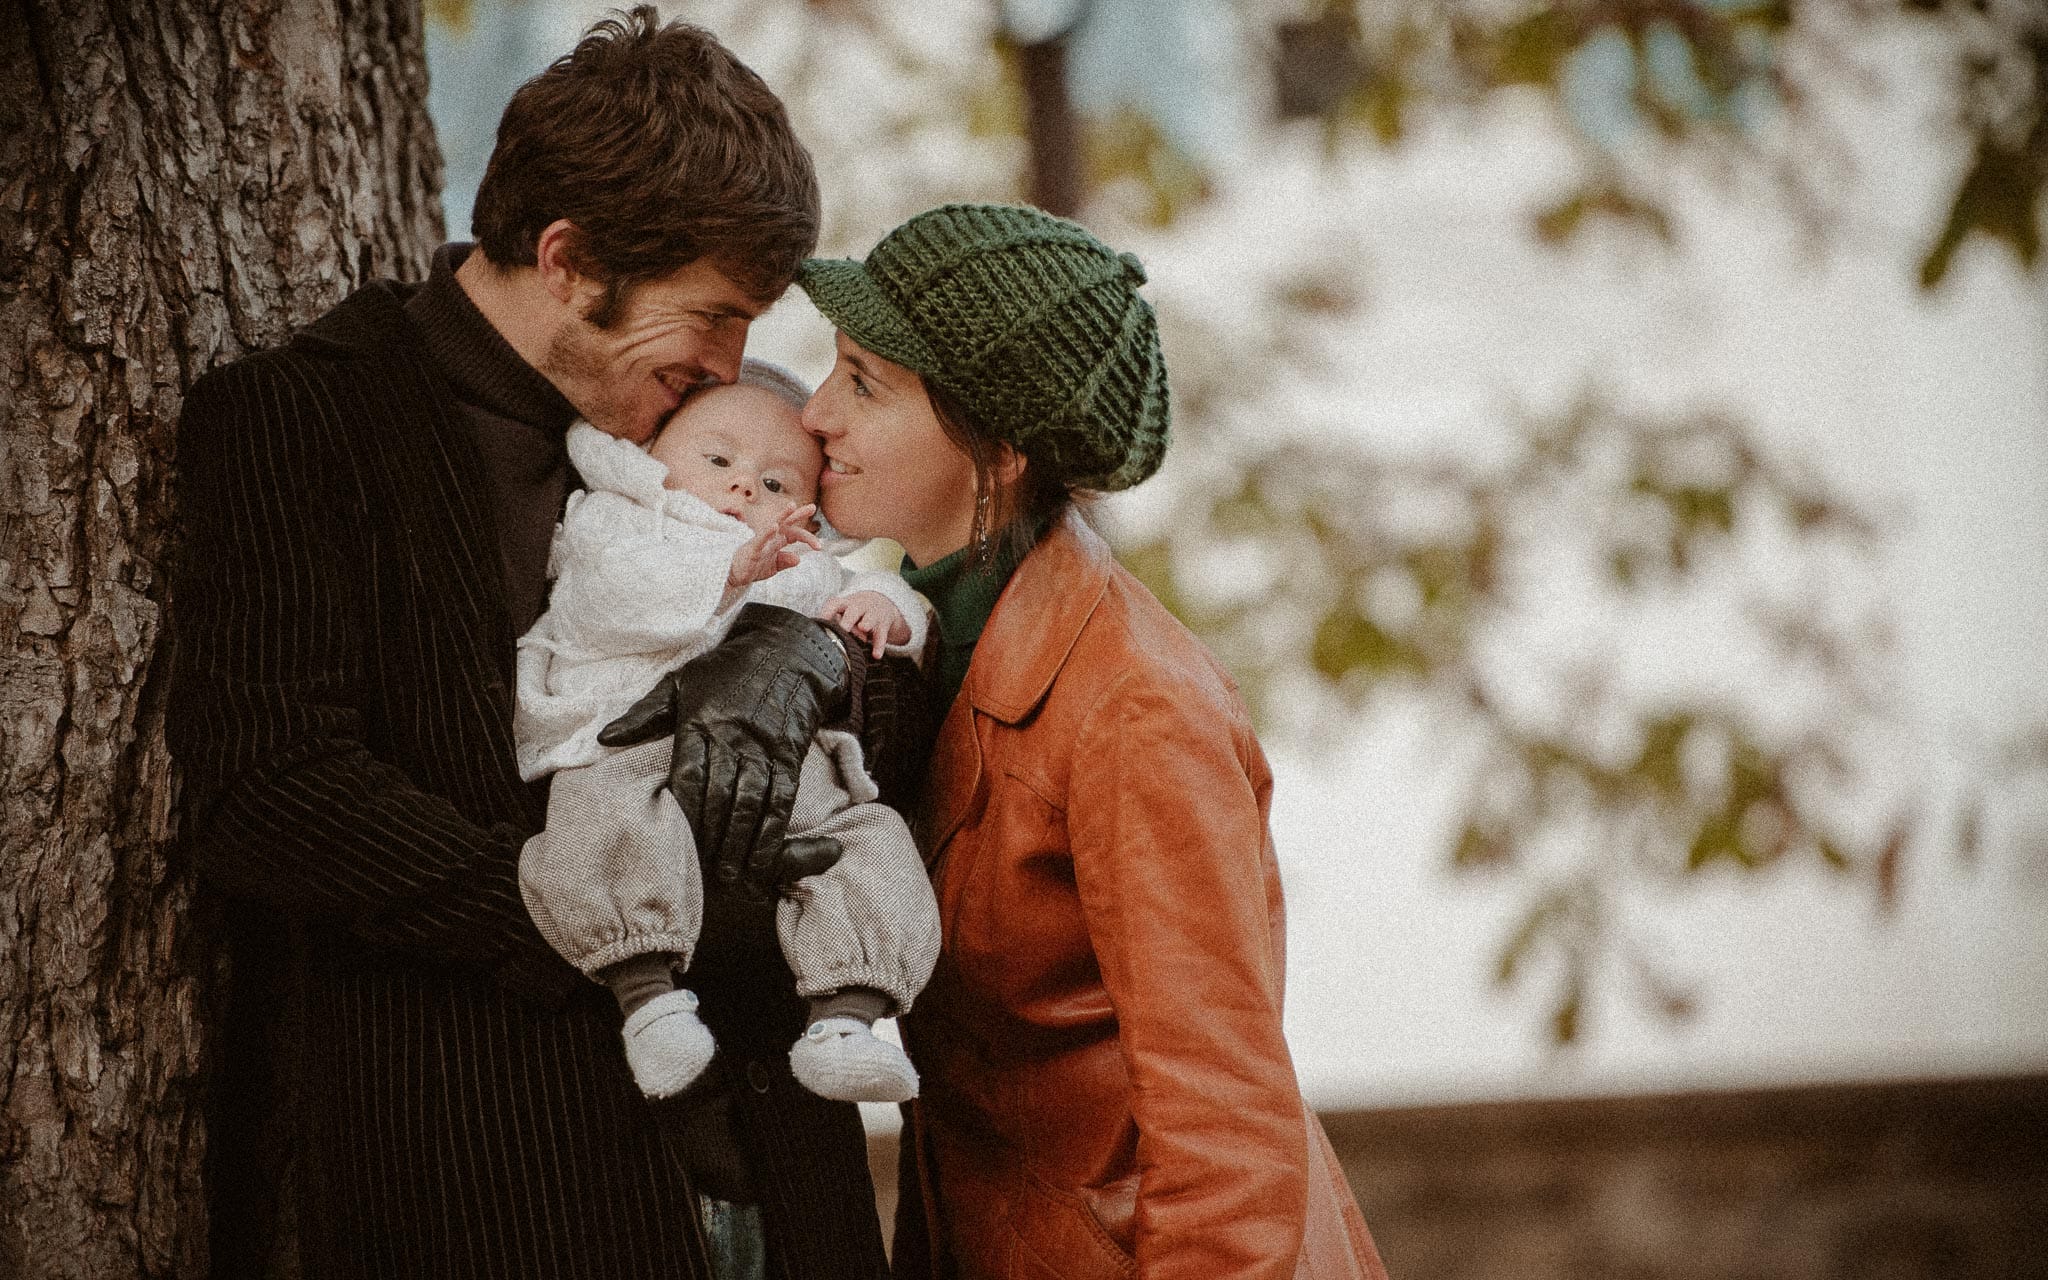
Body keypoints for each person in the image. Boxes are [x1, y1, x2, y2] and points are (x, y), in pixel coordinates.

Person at [166, 11, 909, 1278]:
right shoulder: (303, 418)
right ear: (566, 258)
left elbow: (892, 651)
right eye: (710, 317)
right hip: (493, 1172)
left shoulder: (727, 428)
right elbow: (270, 787)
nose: (734, 368)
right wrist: (592, 918)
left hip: (780, 1163)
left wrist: (800, 660)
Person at [794, 202, 1393, 1279]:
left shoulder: (1131, 708)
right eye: (831, 368)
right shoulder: (912, 636)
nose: (816, 413)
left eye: (865, 383)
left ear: (1000, 450)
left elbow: (1224, 1125)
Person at [515, 361, 938, 1106]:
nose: (746, 487)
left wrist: (881, 604)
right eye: (718, 460)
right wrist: (732, 573)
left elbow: (881, 605)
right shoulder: (617, 516)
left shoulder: (803, 560)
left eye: (777, 484)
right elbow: (608, 597)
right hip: (625, 738)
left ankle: (846, 1017)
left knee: (868, 835)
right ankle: (645, 997)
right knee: (597, 817)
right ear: (649, 457)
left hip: (783, 770)